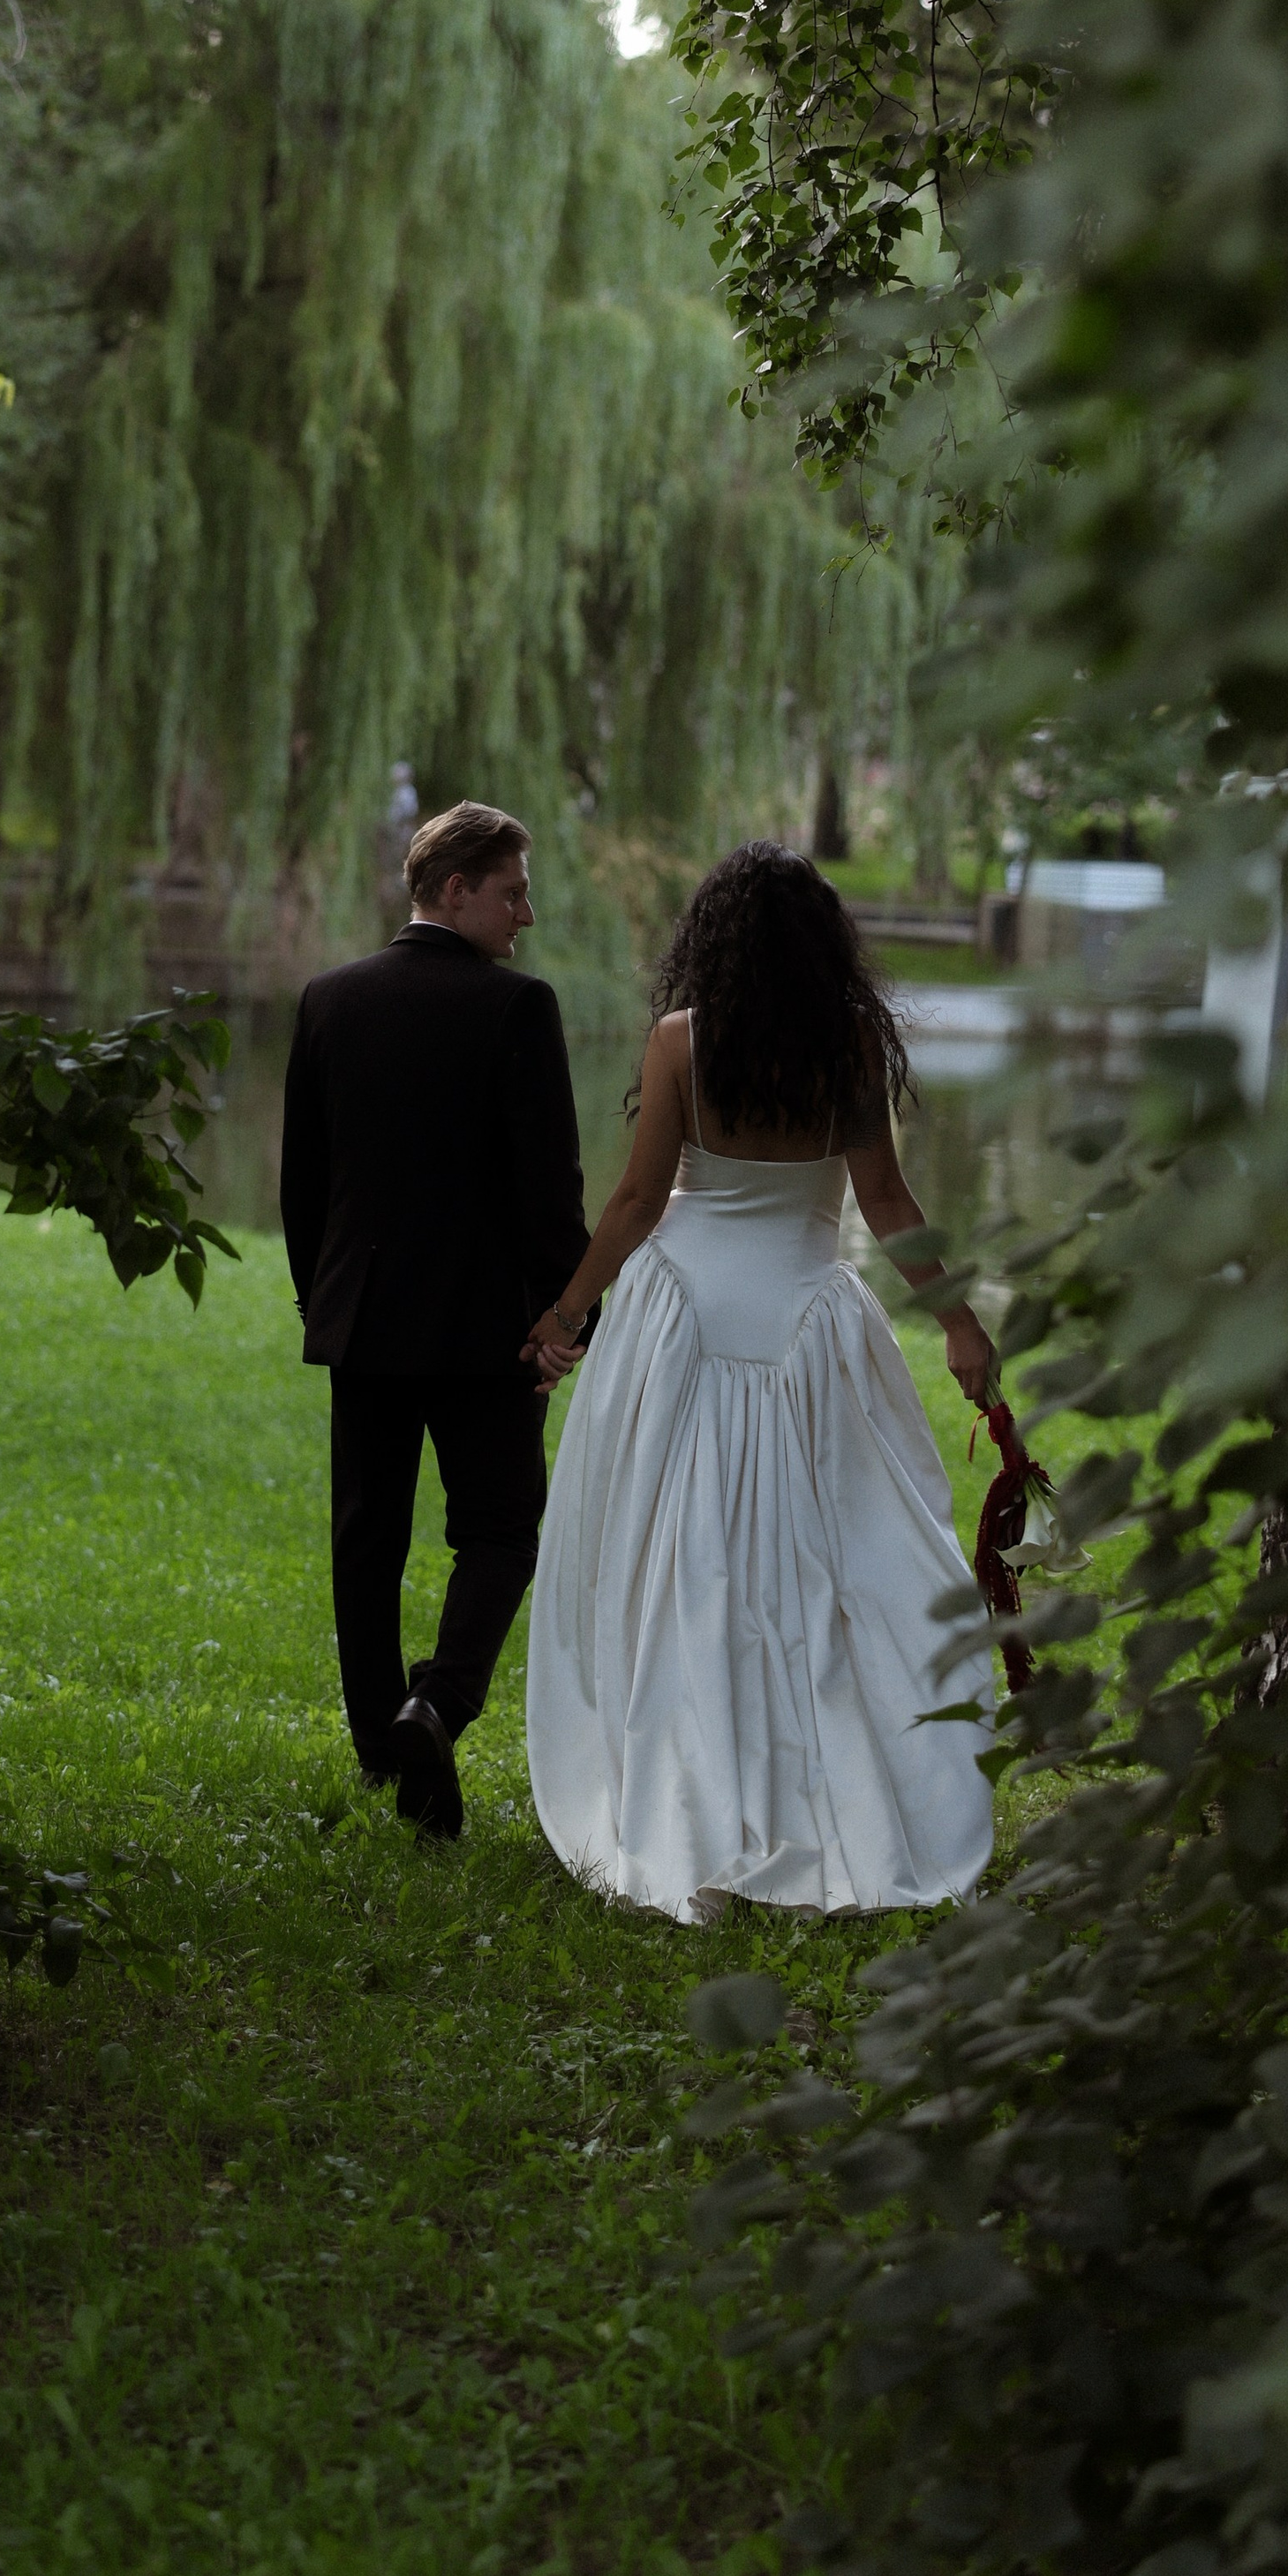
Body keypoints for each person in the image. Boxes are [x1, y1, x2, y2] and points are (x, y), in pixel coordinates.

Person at [523, 840, 997, 1922]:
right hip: (805, 1316)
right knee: (824, 1564)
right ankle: (814, 1793)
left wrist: (565, 1314)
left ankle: (685, 1794)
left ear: (714, 940)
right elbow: (887, 1203)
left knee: (674, 1560)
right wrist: (961, 1328)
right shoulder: (849, 1045)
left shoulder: (681, 1041)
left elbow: (639, 1204)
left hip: (680, 1316)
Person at [281, 801, 588, 1838]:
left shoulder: (329, 999)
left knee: (365, 1540)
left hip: (363, 1319)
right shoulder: (518, 1009)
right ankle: (439, 1703)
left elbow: (303, 1185)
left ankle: (385, 1742)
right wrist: (564, 1319)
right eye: (512, 892)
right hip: (482, 1325)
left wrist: (317, 1299)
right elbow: (550, 1188)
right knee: (500, 1530)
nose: (527, 915)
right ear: (454, 890)